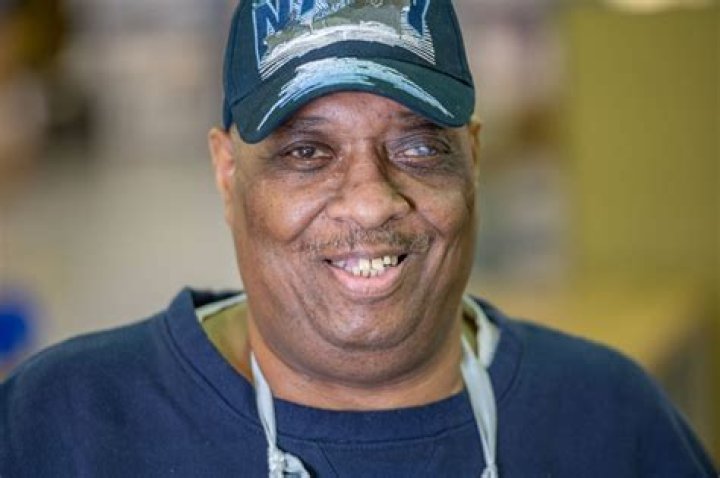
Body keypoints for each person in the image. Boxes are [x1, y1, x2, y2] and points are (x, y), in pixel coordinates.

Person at [0, 1, 716, 476]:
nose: (372, 201)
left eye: (419, 148)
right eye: (307, 152)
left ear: (472, 157)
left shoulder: (608, 420)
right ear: (227, 172)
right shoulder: (67, 424)